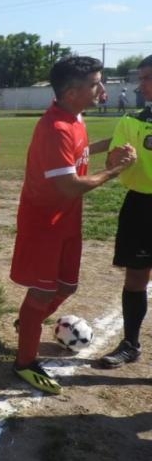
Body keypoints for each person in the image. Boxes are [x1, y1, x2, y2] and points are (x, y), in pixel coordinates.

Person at [10, 56, 135, 394]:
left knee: (66, 287)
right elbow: (68, 185)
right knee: (42, 292)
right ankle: (24, 363)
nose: (102, 88)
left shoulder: (74, 119)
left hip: (67, 220)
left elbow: (77, 153)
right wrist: (114, 170)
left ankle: (29, 325)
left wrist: (112, 142)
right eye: (95, 83)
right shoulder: (55, 128)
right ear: (70, 91)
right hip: (44, 225)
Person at [100, 55, 152, 369]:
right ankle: (130, 344)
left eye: (147, 78)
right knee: (135, 278)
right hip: (140, 206)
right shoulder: (130, 120)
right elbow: (110, 164)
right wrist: (119, 158)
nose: (140, 84)